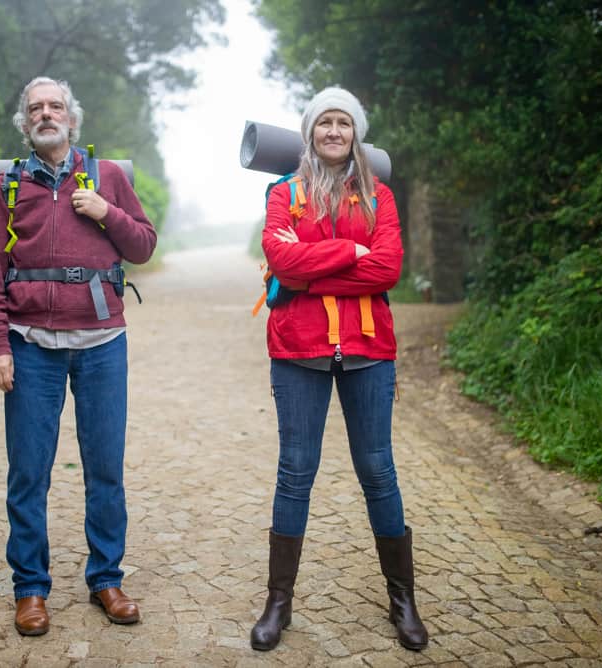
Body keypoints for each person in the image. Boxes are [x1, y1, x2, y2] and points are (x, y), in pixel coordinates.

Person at [0, 76, 156, 637]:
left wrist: (105, 211)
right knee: (29, 473)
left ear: (72, 119)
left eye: (55, 106)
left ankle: (106, 579)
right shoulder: (5, 189)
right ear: (25, 124)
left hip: (102, 344)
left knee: (106, 470)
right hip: (30, 349)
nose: (46, 114)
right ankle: (30, 588)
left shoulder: (111, 178)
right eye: (36, 109)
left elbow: (144, 247)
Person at [249, 86, 428, 652]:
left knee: (378, 470)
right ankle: (279, 603)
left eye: (343, 123)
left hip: (368, 349)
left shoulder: (380, 197)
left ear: (356, 134)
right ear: (309, 132)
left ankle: (403, 601)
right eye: (323, 122)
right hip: (298, 347)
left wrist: (311, 273)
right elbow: (281, 259)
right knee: (295, 470)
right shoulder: (284, 194)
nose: (333, 131)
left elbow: (388, 268)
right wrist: (352, 256)